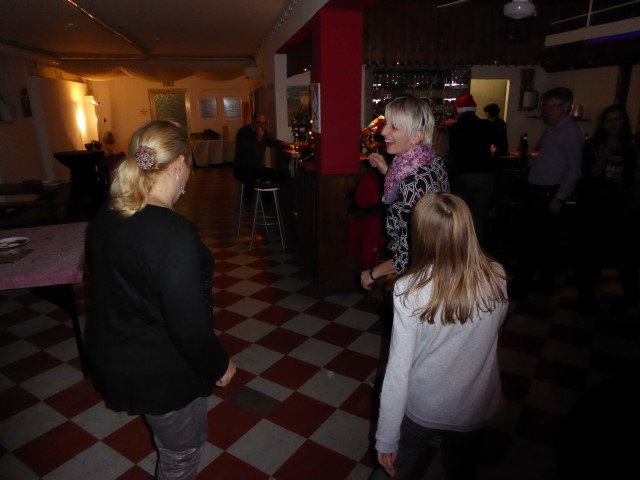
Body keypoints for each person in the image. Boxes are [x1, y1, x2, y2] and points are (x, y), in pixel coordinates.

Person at [86, 119, 236, 480]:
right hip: (161, 368)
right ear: (180, 163)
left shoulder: (107, 214)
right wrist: (219, 365)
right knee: (182, 454)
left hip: (115, 353)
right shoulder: (173, 233)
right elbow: (188, 325)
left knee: (170, 444)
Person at [371, 193, 508, 480]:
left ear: (422, 235)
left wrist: (386, 438)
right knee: (462, 470)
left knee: (393, 470)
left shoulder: (409, 289)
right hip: (475, 404)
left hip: (425, 405)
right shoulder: (497, 275)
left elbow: (397, 371)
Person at [361, 95, 450, 292]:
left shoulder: (413, 182)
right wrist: (387, 171)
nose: (383, 131)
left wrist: (372, 273)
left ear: (416, 136)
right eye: (386, 123)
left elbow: (410, 253)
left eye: (393, 127)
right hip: (440, 267)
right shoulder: (430, 160)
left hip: (422, 278)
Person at [510, 86, 583, 299]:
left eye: (553, 106)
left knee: (534, 241)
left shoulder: (569, 131)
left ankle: (522, 286)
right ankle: (544, 282)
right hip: (540, 191)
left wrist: (559, 197)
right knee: (542, 242)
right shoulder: (553, 129)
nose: (547, 111)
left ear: (566, 107)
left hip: (550, 193)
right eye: (546, 106)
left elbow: (575, 169)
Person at [575, 105, 638, 316]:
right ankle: (585, 298)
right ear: (603, 123)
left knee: (624, 256)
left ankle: (630, 296)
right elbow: (587, 177)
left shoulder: (629, 149)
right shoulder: (593, 145)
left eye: (617, 119)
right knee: (589, 255)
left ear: (624, 122)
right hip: (592, 207)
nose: (612, 124)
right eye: (609, 119)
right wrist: (600, 163)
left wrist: (622, 188)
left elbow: (631, 181)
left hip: (617, 208)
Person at [447, 94, 497, 246]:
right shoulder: (487, 125)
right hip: (486, 174)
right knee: (479, 216)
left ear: (459, 110)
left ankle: (462, 248)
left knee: (462, 215)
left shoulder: (453, 128)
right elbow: (498, 146)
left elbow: (452, 152)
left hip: (464, 174)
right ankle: (477, 249)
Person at [234, 112, 290, 205]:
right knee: (251, 182)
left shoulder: (264, 133)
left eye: (263, 123)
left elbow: (274, 142)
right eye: (259, 122)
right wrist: (258, 139)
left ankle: (264, 200)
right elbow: (247, 150)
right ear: (253, 121)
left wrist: (289, 145)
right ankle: (249, 205)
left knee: (281, 175)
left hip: (256, 168)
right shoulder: (243, 132)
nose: (261, 125)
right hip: (242, 168)